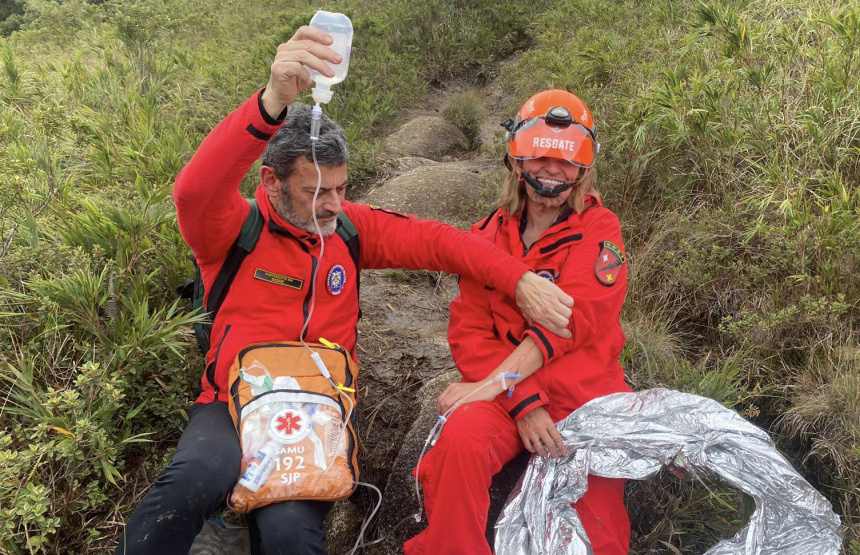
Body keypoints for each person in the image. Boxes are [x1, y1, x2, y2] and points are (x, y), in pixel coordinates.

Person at [115, 26, 576, 555]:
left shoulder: (350, 229)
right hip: (232, 403)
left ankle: (238, 526)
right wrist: (270, 102)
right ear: (271, 183)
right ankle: (223, 517)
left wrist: (517, 278)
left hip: (316, 412)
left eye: (341, 188)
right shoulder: (232, 231)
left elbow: (443, 243)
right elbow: (194, 188)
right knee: (190, 482)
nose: (334, 204)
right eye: (316, 193)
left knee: (291, 535)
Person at [404, 90, 631, 554]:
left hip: (582, 402)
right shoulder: (485, 237)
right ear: (517, 159)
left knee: (598, 531)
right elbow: (469, 333)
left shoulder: (600, 230)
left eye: (566, 161)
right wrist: (522, 399)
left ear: (583, 169)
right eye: (541, 156)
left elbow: (572, 323)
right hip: (509, 397)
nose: (552, 170)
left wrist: (498, 387)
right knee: (460, 442)